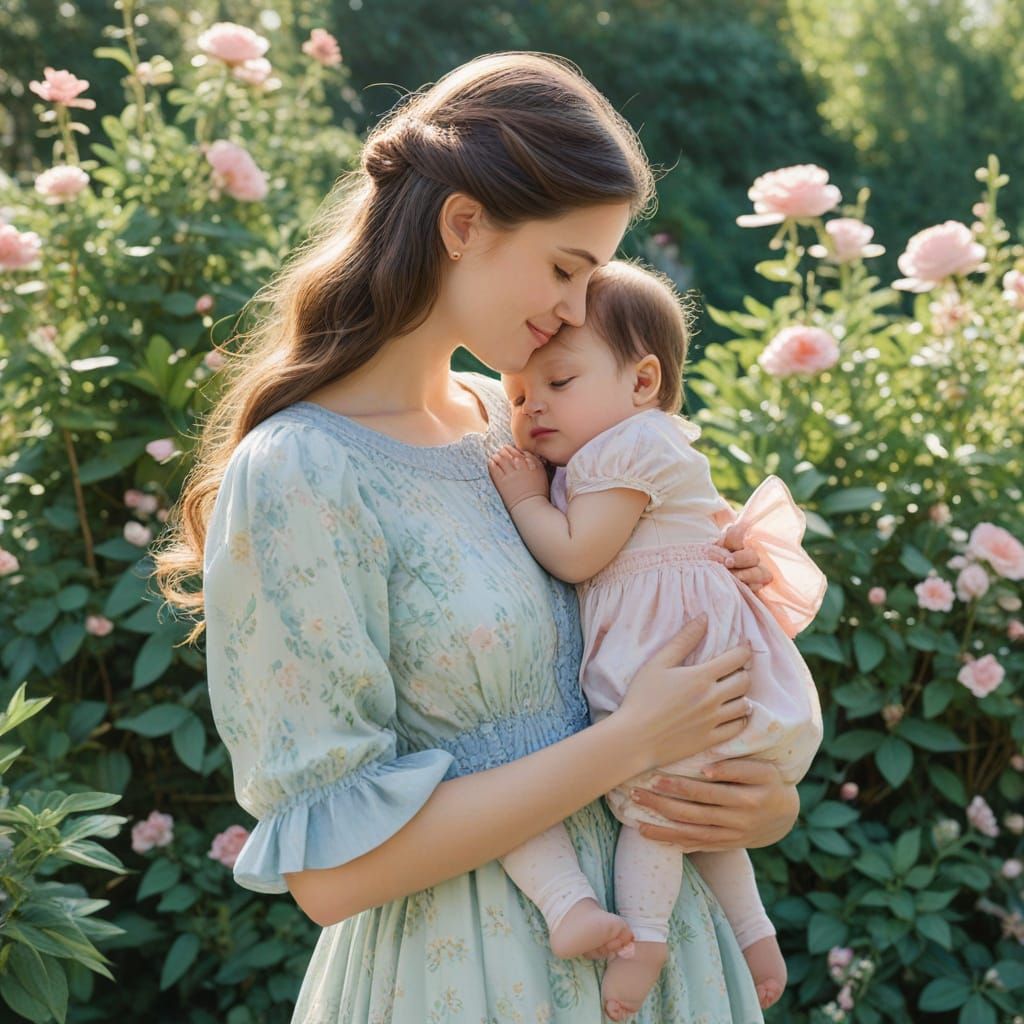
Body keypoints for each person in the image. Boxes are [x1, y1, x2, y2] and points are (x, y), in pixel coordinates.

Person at [155, 52, 803, 1023]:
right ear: (463, 225)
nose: (579, 312)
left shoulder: (521, 433)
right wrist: (629, 742)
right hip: (465, 980)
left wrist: (759, 799)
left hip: (670, 968)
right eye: (564, 268)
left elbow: (649, 637)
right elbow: (330, 875)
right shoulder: (301, 473)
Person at [488, 259, 827, 1020]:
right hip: (686, 655)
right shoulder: (617, 448)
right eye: (516, 395)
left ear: (642, 383)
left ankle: (642, 944)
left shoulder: (625, 450)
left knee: (658, 805)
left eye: (558, 383)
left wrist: (520, 496)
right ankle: (754, 932)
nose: (531, 409)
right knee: (698, 807)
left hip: (676, 659)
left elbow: (576, 555)